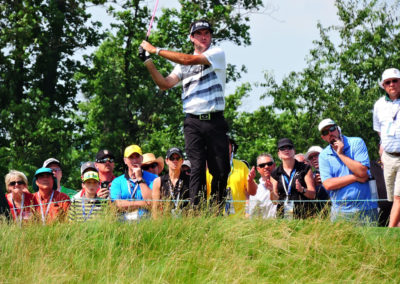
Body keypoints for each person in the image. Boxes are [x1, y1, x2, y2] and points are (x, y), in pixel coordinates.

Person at [140, 19, 230, 208]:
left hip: (215, 121)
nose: (204, 37)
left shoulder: (216, 54)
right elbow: (164, 84)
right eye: (199, 34)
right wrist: (147, 61)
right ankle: (195, 212)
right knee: (196, 168)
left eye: (207, 33)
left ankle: (215, 210)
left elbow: (189, 59)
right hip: (193, 122)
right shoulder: (181, 67)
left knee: (220, 171)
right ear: (191, 38)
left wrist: (156, 50)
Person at [318, 118, 378, 224]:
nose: (330, 133)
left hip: (366, 209)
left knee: (371, 241)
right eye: (325, 132)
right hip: (340, 212)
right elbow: (328, 184)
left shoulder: (356, 143)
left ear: (338, 129)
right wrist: (355, 177)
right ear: (323, 137)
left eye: (332, 129)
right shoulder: (323, 156)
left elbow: (362, 172)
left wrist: (340, 154)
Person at [373, 68, 400, 227]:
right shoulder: (379, 105)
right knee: (392, 198)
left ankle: (389, 232)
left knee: (398, 197)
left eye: (395, 81)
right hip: (389, 156)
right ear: (383, 85)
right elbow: (379, 130)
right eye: (388, 82)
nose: (392, 84)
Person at [206, 138, 256, 216]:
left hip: (237, 219)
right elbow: (202, 195)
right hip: (214, 218)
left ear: (232, 147)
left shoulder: (241, 166)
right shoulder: (209, 167)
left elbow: (253, 192)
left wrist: (250, 181)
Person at [270, 138, 316, 219]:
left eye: (289, 147)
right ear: (279, 154)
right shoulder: (275, 173)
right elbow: (274, 201)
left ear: (294, 151)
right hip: (283, 216)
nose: (286, 150)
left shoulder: (305, 168)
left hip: (304, 215)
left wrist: (302, 189)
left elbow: (313, 195)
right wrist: (271, 191)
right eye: (282, 148)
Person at [110, 144, 157, 221]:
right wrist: (142, 204)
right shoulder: (117, 181)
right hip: (123, 225)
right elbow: (116, 205)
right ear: (125, 160)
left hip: (148, 225)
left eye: (137, 157)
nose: (135, 160)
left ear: (142, 158)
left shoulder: (154, 178)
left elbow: (152, 202)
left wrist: (140, 178)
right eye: (131, 157)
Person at [152, 147, 190, 217]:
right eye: (172, 158)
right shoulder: (158, 181)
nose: (175, 161)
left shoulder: (189, 180)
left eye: (178, 158)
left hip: (186, 222)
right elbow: (155, 208)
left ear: (182, 161)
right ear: (167, 161)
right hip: (166, 223)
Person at [248, 153, 277, 219]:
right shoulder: (256, 191)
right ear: (258, 169)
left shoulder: (284, 184)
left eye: (269, 164)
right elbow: (253, 216)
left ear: (274, 165)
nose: (266, 167)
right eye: (262, 165)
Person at [305, 146, 330, 214]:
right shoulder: (310, 177)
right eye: (311, 158)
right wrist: (314, 185)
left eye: (316, 155)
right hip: (320, 213)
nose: (314, 159)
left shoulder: (334, 170)